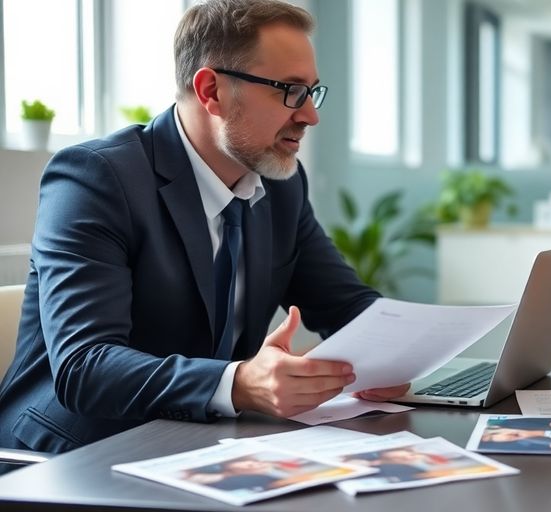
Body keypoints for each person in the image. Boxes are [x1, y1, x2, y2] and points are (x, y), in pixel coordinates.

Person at [0, 0, 410, 458]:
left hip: (201, 445)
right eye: (290, 91)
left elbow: (344, 304)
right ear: (212, 90)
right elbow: (85, 367)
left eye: (314, 92)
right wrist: (238, 384)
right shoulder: (95, 179)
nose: (310, 115)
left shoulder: (280, 186)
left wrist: (402, 351)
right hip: (73, 457)